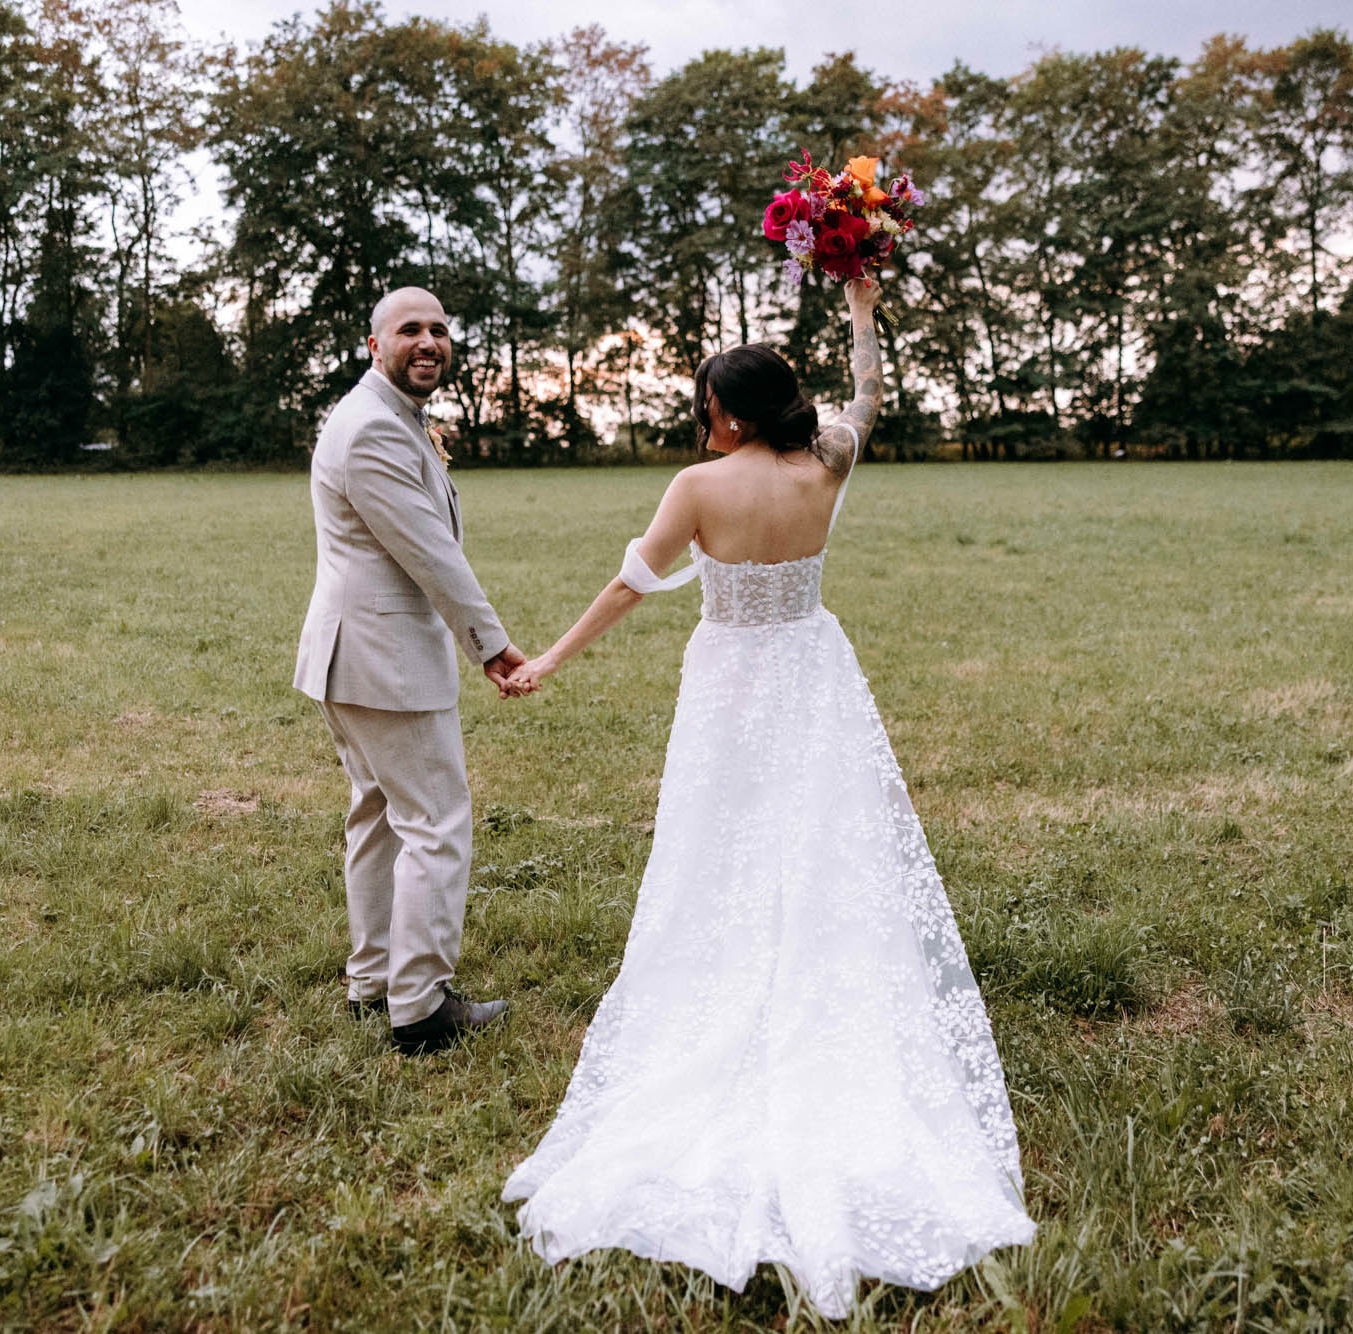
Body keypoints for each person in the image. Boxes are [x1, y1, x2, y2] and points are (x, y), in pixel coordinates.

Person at [499, 277, 1036, 1316]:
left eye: (706, 404)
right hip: (813, 669)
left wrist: (549, 660)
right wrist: (862, 303)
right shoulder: (825, 460)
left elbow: (628, 586)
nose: (700, 419)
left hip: (732, 682)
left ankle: (735, 980)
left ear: (726, 413)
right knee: (824, 837)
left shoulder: (700, 485)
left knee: (718, 843)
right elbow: (870, 393)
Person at [293, 286, 525, 1054]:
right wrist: (490, 643)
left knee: (379, 817)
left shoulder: (390, 418)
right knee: (435, 822)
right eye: (409, 331)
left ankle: (373, 981)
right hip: (382, 662)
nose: (428, 342)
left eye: (439, 330)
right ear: (374, 345)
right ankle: (420, 1006)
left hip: (355, 656)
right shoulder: (371, 432)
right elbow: (430, 552)